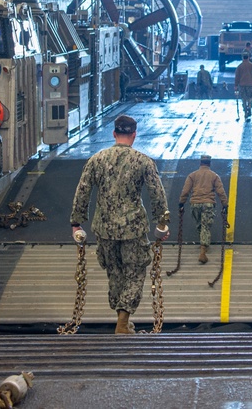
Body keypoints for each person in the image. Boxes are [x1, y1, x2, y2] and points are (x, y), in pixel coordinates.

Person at [70, 114, 169, 334]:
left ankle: (121, 319)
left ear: (114, 134)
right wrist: (161, 225)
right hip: (133, 229)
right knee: (134, 273)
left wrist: (76, 223)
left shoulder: (97, 159)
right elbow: (157, 194)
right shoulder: (143, 161)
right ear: (134, 135)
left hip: (105, 229)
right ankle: (123, 323)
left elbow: (83, 191)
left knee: (114, 273)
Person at [179, 154, 229, 264]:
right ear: (209, 163)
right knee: (206, 226)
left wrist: (181, 203)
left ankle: (203, 244)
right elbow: (220, 192)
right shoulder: (214, 176)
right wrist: (225, 204)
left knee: (199, 225)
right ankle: (203, 251)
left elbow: (185, 191)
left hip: (195, 204)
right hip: (208, 204)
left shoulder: (192, 175)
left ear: (200, 163)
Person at [234, 51, 252, 120]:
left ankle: (245, 112)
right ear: (248, 57)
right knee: (251, 97)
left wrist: (236, 86)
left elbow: (237, 77)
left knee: (243, 99)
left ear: (242, 58)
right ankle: (249, 106)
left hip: (242, 85)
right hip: (250, 84)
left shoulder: (239, 67)